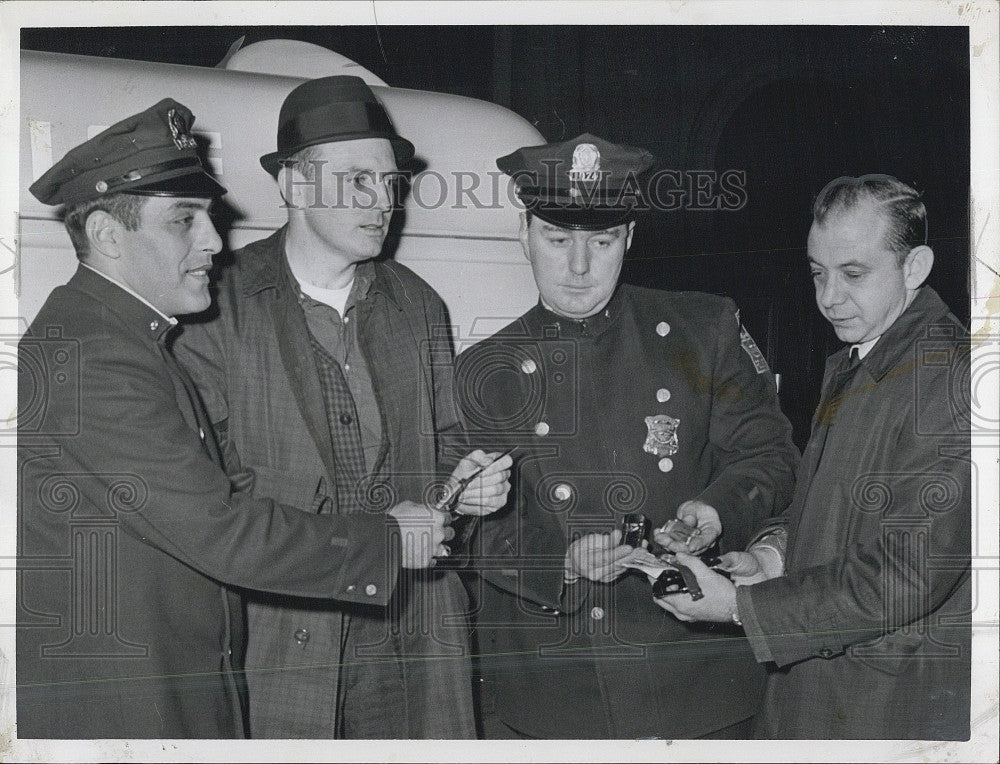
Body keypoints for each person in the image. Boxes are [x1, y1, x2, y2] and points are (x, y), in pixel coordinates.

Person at [17, 99, 461, 739]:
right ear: (108, 236)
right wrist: (387, 541)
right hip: (132, 697)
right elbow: (217, 527)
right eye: (183, 221)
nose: (214, 241)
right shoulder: (97, 358)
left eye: (207, 217)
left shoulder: (123, 339)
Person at [173, 76, 512, 739]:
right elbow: (209, 498)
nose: (382, 201)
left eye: (390, 183)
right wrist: (371, 542)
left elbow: (445, 440)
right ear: (295, 187)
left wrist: (463, 489)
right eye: (357, 180)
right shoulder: (219, 305)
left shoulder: (416, 304)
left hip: (416, 635)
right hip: (287, 643)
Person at [455, 133, 799, 738]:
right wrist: (561, 561)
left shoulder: (704, 330)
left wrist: (717, 512)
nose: (579, 267)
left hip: (695, 683)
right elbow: (470, 527)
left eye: (602, 241)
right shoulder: (487, 370)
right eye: (557, 240)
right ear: (524, 234)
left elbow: (769, 457)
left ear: (630, 239)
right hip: (558, 690)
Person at [655, 174, 971, 740]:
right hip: (827, 690)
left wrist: (741, 608)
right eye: (817, 273)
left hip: (882, 706)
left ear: (916, 267)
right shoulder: (862, 356)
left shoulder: (949, 379)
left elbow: (907, 574)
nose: (828, 297)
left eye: (853, 274)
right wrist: (772, 557)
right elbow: (825, 507)